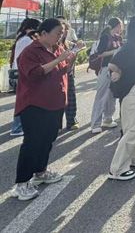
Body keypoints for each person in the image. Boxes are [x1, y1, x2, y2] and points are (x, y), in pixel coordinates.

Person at [11, 18, 78, 201]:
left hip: (55, 103)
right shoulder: (30, 51)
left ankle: (40, 172)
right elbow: (34, 74)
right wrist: (59, 59)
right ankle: (21, 183)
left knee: (47, 140)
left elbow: (63, 71)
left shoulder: (57, 48)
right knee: (33, 143)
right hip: (35, 104)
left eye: (62, 33)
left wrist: (70, 60)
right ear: (43, 33)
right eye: (58, 33)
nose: (60, 36)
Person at [107, 14, 135, 181]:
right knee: (132, 129)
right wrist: (118, 73)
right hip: (132, 88)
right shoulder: (129, 46)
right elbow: (112, 65)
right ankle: (118, 169)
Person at [9, 18, 42, 137]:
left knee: (24, 100)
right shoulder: (27, 40)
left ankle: (19, 126)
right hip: (23, 72)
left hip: (19, 72)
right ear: (32, 28)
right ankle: (17, 128)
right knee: (24, 101)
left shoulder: (22, 38)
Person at [90, 18, 123, 134]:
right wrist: (115, 51)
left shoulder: (118, 38)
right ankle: (95, 124)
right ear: (117, 25)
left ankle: (108, 119)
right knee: (101, 95)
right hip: (105, 68)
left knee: (111, 95)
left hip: (115, 69)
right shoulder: (105, 37)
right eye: (120, 25)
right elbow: (100, 54)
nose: (121, 28)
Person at [59, 21, 83, 130]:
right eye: (60, 30)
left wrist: (78, 47)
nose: (62, 33)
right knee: (58, 100)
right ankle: (56, 123)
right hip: (57, 75)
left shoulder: (67, 43)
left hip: (68, 74)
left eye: (64, 30)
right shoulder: (52, 45)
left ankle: (71, 120)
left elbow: (78, 47)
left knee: (70, 98)